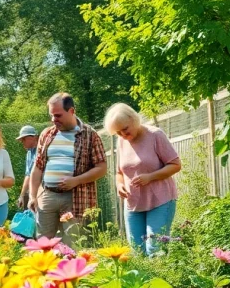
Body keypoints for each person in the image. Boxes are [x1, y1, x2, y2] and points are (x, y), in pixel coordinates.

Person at [28, 93, 107, 246]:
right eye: (51, 116)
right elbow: (37, 167)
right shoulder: (47, 134)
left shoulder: (90, 135)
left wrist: (76, 180)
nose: (53, 120)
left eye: (57, 115)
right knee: (43, 245)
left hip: (75, 198)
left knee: (72, 244)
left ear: (71, 111)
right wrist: (32, 195)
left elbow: (102, 168)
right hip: (47, 196)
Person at [107, 103, 181, 255]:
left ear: (133, 119)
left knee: (155, 250)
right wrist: (119, 185)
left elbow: (175, 165)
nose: (123, 135)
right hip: (133, 204)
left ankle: (160, 278)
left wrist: (151, 177)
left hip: (160, 201)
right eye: (118, 133)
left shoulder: (155, 135)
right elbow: (119, 172)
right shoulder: (121, 141)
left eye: (125, 129)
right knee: (137, 252)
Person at [16, 125, 39, 210]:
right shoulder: (29, 152)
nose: (22, 142)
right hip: (32, 191)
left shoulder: (42, 150)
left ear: (32, 137)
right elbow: (28, 174)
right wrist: (22, 195)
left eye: (23, 139)